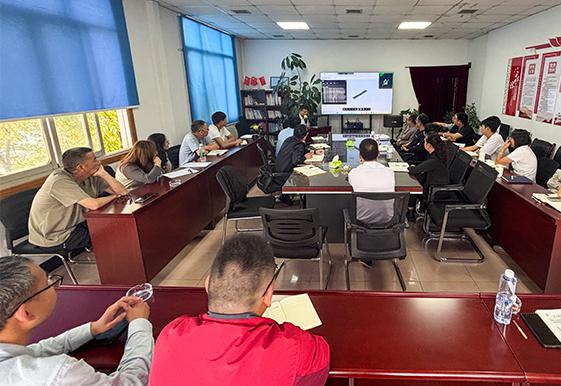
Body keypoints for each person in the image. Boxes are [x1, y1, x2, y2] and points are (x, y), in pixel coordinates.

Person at [149, 234, 330, 386]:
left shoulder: (170, 334)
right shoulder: (295, 347)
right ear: (268, 294)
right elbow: (322, 355)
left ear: (208, 284)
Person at [0, 256, 153, 384]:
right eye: (47, 282)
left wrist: (94, 328)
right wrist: (139, 324)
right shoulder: (61, 375)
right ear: (26, 313)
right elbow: (132, 382)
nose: (53, 283)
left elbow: (37, 350)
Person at [28, 147, 128, 252]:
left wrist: (104, 174)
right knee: (111, 233)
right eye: (94, 159)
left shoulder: (91, 175)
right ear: (80, 167)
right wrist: (115, 196)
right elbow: (94, 205)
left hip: (76, 225)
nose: (99, 162)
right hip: (56, 236)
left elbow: (123, 192)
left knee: (118, 225)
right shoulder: (59, 181)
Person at [348, 138, 396, 227]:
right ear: (378, 154)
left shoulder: (354, 173)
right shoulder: (389, 172)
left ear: (360, 155)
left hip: (361, 220)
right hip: (387, 219)